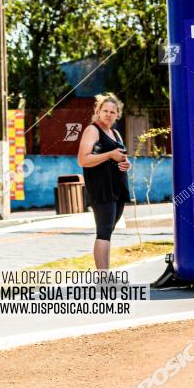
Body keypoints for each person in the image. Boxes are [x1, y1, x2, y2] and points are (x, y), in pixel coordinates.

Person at [77, 93, 131, 270]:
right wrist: (109, 155)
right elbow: (83, 160)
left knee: (108, 232)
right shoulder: (92, 130)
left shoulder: (115, 133)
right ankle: (103, 280)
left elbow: (119, 158)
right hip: (101, 188)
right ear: (98, 111)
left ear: (118, 115)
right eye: (105, 110)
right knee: (104, 232)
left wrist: (125, 163)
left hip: (118, 188)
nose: (108, 114)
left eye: (112, 112)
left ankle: (106, 276)